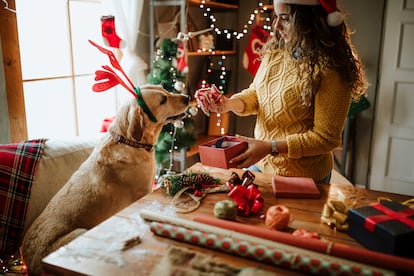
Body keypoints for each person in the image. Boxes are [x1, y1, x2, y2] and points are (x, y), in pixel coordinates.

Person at [206, 0, 368, 183]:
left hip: (304, 176)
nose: (276, 26)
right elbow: (257, 93)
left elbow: (326, 139)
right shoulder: (276, 51)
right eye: (276, 17)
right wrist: (228, 103)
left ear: (310, 21)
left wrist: (270, 147)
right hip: (263, 164)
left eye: (285, 19)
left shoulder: (331, 68)